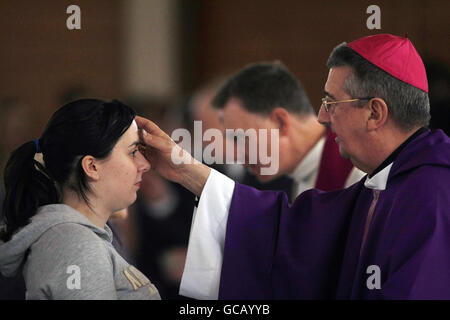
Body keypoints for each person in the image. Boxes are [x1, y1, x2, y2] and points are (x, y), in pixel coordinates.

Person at [135, 33, 450, 299]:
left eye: (331, 103)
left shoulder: (430, 195)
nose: (322, 117)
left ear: (375, 113)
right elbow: (285, 226)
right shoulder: (381, 185)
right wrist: (182, 168)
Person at [0, 99, 161, 300]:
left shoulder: (77, 238)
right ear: (92, 167)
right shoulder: (75, 244)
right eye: (133, 152)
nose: (145, 164)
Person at [211, 61, 365, 199]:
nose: (240, 160)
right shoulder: (297, 175)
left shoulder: (359, 173)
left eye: (241, 138)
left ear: (280, 122)